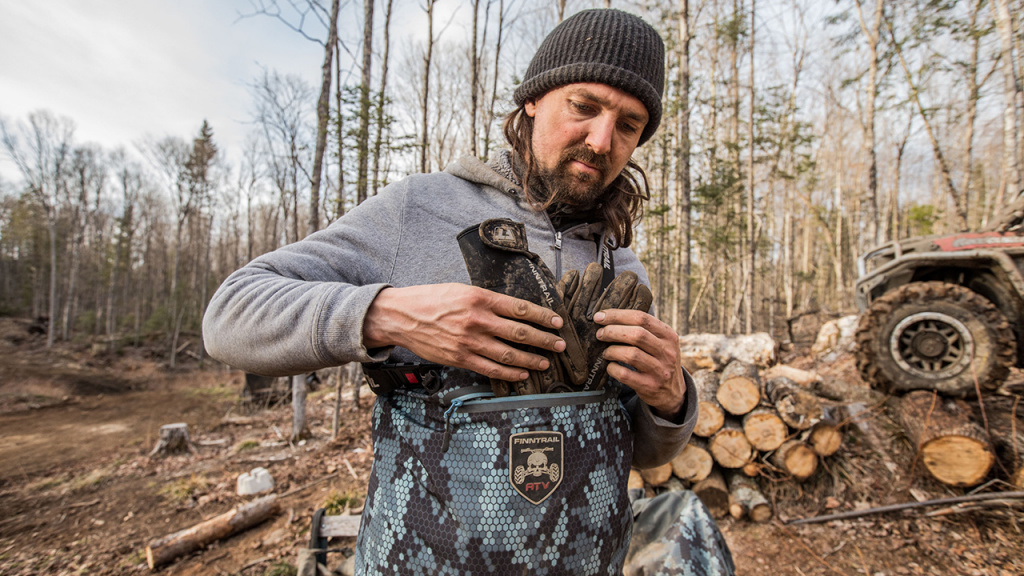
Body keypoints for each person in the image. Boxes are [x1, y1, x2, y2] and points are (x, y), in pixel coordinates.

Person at [204, 9, 702, 575]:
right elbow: (230, 314)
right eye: (584, 107)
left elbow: (641, 451)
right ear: (534, 99)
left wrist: (670, 401)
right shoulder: (420, 209)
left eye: (629, 125)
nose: (601, 139)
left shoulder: (622, 265)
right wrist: (386, 314)